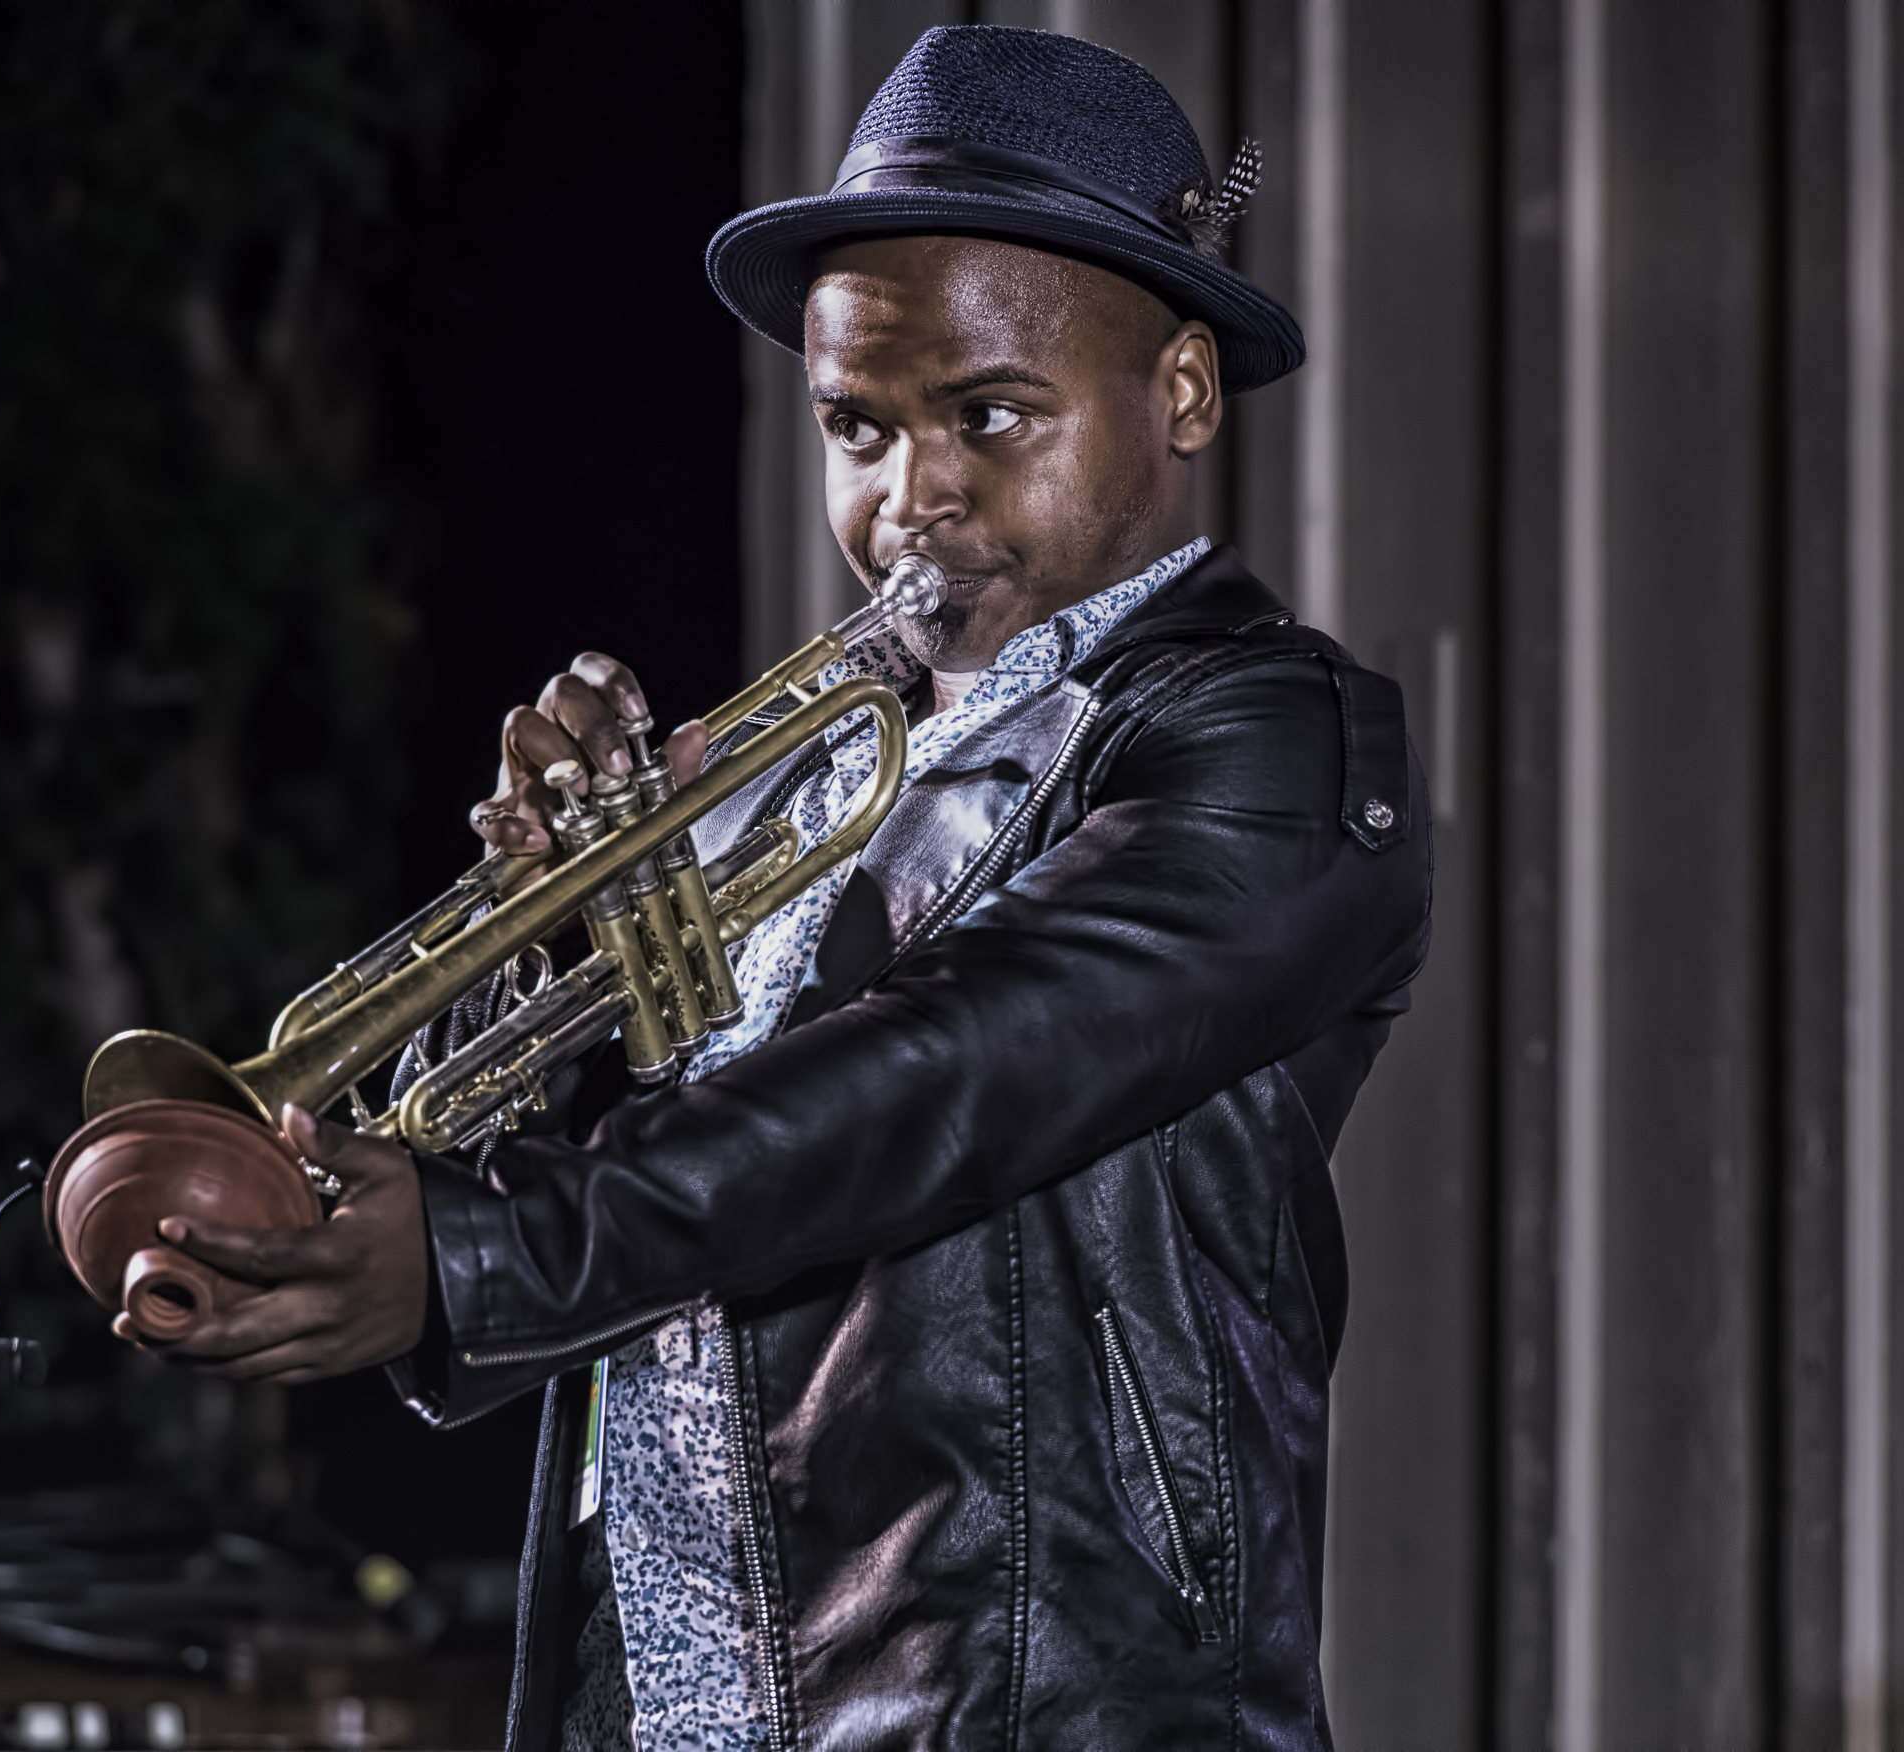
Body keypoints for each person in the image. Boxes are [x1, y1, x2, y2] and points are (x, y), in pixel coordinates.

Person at [129, 26, 1429, 1750]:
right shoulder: (818, 769)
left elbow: (957, 1069)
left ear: (1181, 391)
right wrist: (565, 939)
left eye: (988, 415)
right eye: (857, 428)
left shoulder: (1272, 737)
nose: (913, 500)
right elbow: (684, 1224)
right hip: (677, 1697)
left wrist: (496, 1247)